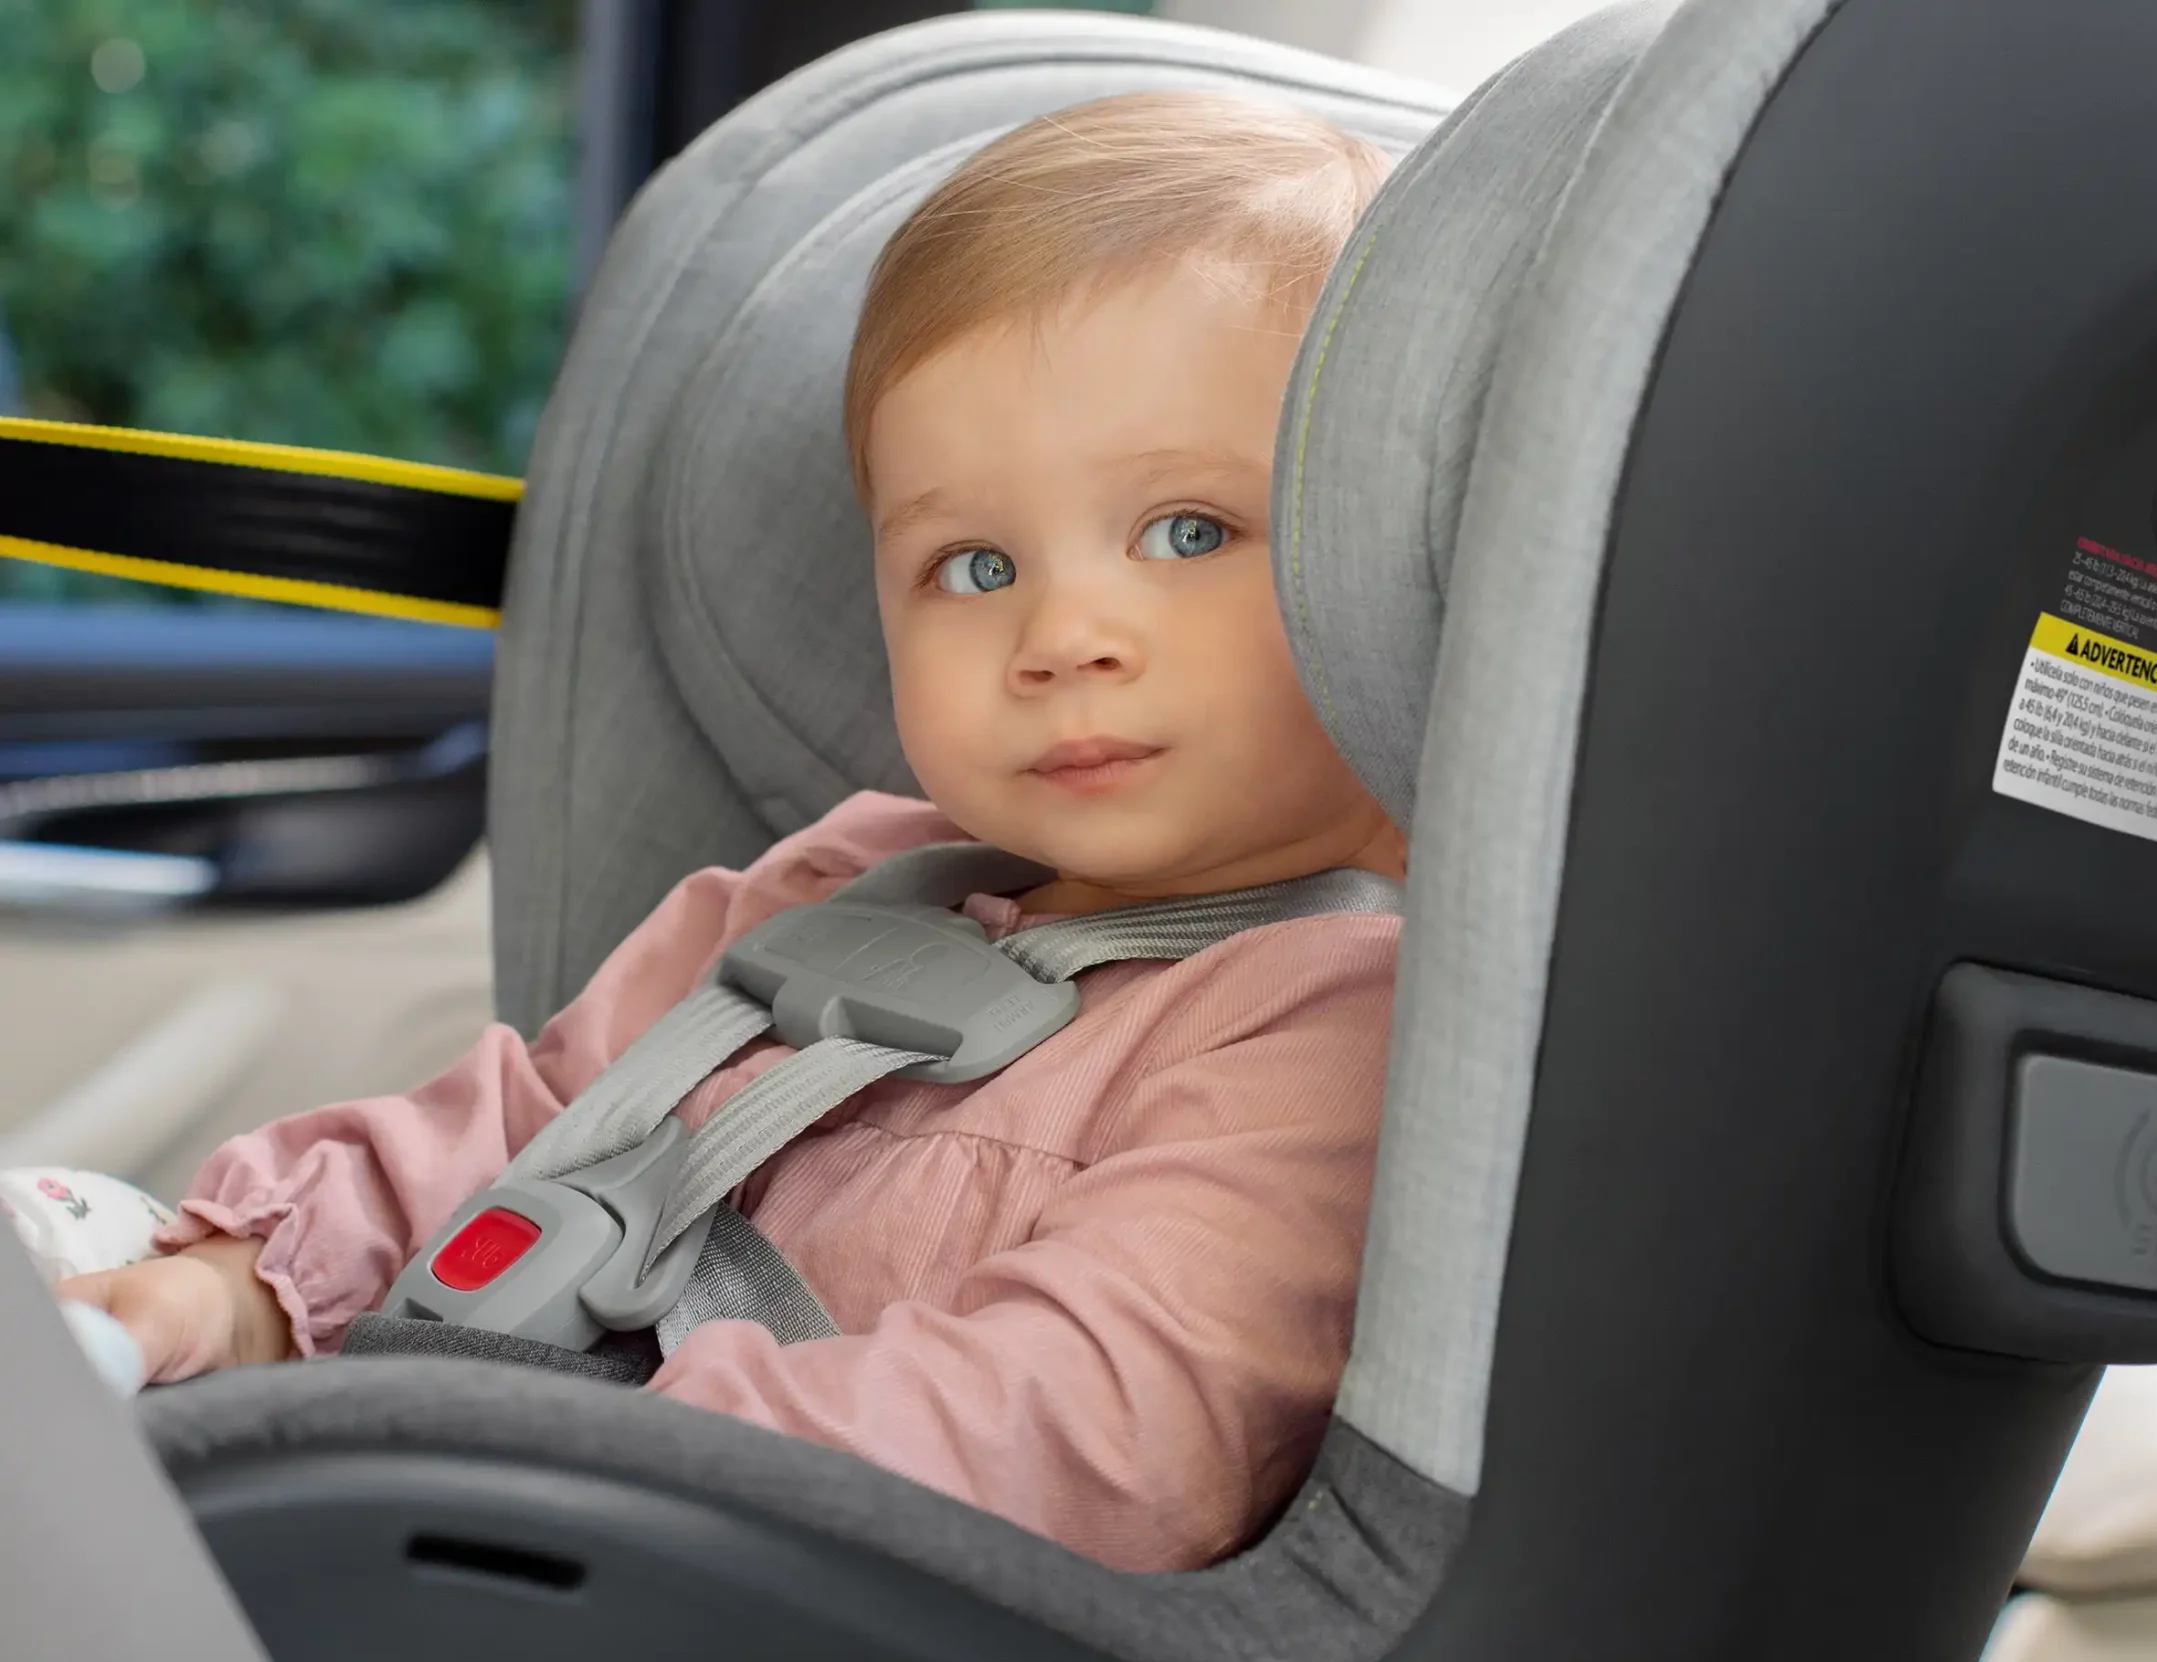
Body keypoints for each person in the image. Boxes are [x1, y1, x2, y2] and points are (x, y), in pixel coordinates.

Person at [51, 91, 1404, 1575]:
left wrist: (552, 1449)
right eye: (974, 562)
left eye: (1190, 533)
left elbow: (1088, 1431)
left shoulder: (1335, 1016)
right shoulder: (834, 888)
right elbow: (520, 1124)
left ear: (1393, 565)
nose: (1062, 633)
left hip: (751, 1591)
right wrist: (249, 1282)